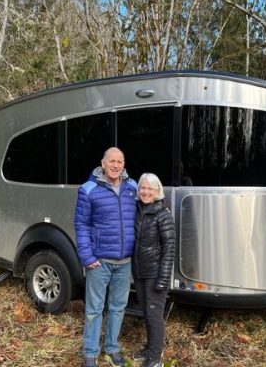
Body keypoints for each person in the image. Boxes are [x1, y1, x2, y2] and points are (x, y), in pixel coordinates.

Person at [74, 147, 137, 367]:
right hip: (99, 261)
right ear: (103, 163)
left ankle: (112, 348)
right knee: (94, 310)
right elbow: (81, 224)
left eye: (119, 162)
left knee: (118, 307)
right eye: (112, 161)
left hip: (125, 261)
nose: (115, 165)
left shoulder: (132, 187)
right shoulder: (88, 189)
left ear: (124, 164)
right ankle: (90, 353)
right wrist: (87, 256)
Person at [132, 173, 176, 367]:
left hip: (155, 274)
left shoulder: (163, 214)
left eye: (150, 188)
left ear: (157, 191)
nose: (145, 192)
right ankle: (150, 349)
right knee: (146, 313)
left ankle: (155, 358)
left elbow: (169, 248)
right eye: (142, 188)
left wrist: (163, 278)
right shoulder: (139, 210)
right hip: (140, 272)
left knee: (154, 315)